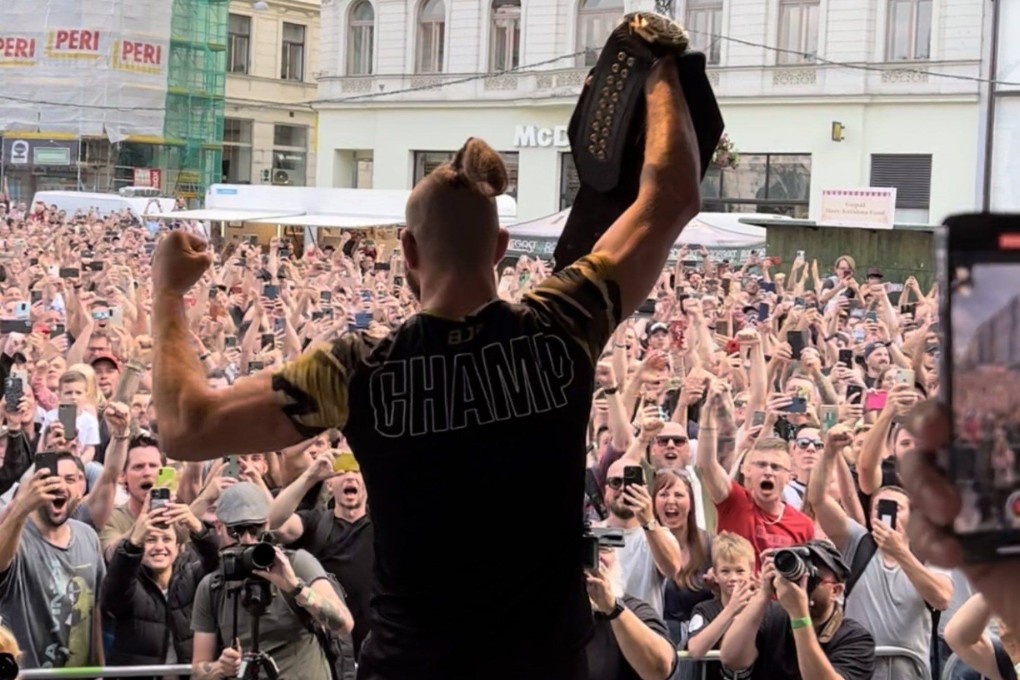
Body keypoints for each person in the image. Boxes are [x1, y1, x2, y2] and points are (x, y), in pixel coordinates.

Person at [151, 58, 702, 679]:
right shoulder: (563, 325)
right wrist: (658, 69)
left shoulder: (356, 369)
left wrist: (169, 293)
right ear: (501, 248)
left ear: (407, 251)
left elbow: (185, 427)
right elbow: (672, 196)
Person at [807, 425, 952, 680]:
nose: (885, 514)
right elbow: (818, 500)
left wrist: (901, 552)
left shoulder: (928, 551)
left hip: (911, 671)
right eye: (877, 508)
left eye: (896, 507)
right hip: (858, 667)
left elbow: (941, 598)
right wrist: (829, 452)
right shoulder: (857, 542)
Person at [190, 483, 353, 680]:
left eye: (254, 529)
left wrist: (295, 588)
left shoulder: (296, 564)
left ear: (266, 525)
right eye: (236, 531)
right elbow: (198, 670)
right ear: (218, 527)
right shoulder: (212, 586)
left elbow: (343, 624)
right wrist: (219, 668)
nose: (247, 540)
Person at [0, 456, 106, 668]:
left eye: (69, 479)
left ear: (81, 486)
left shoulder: (88, 536)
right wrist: (22, 506)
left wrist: (99, 669)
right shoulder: (17, 536)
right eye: (51, 480)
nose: (59, 486)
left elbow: (95, 612)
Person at [269, 449, 374, 657]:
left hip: (377, 647)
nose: (350, 476)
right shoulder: (315, 523)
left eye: (356, 470)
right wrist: (310, 475)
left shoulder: (383, 523)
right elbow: (273, 523)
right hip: (331, 649)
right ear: (329, 484)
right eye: (342, 471)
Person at [719, 541, 876, 680]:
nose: (802, 582)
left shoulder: (855, 638)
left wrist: (799, 615)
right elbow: (731, 658)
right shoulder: (771, 615)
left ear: (835, 591)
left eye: (812, 578)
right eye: (798, 575)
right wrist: (764, 593)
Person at [102, 500, 219, 678]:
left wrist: (198, 528)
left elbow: (218, 563)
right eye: (150, 540)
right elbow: (114, 590)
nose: (159, 547)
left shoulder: (192, 575)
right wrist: (133, 543)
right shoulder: (129, 577)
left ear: (179, 548)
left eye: (166, 539)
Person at [584, 544, 679, 680]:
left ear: (616, 557)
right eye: (586, 550)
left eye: (605, 548)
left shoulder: (635, 610)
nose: (596, 558)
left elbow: (660, 669)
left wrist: (613, 608)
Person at [685, 532, 757, 680]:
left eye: (740, 571)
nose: (733, 578)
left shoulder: (764, 609)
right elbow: (695, 650)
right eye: (725, 571)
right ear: (715, 574)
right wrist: (731, 609)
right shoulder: (704, 610)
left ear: (751, 571)